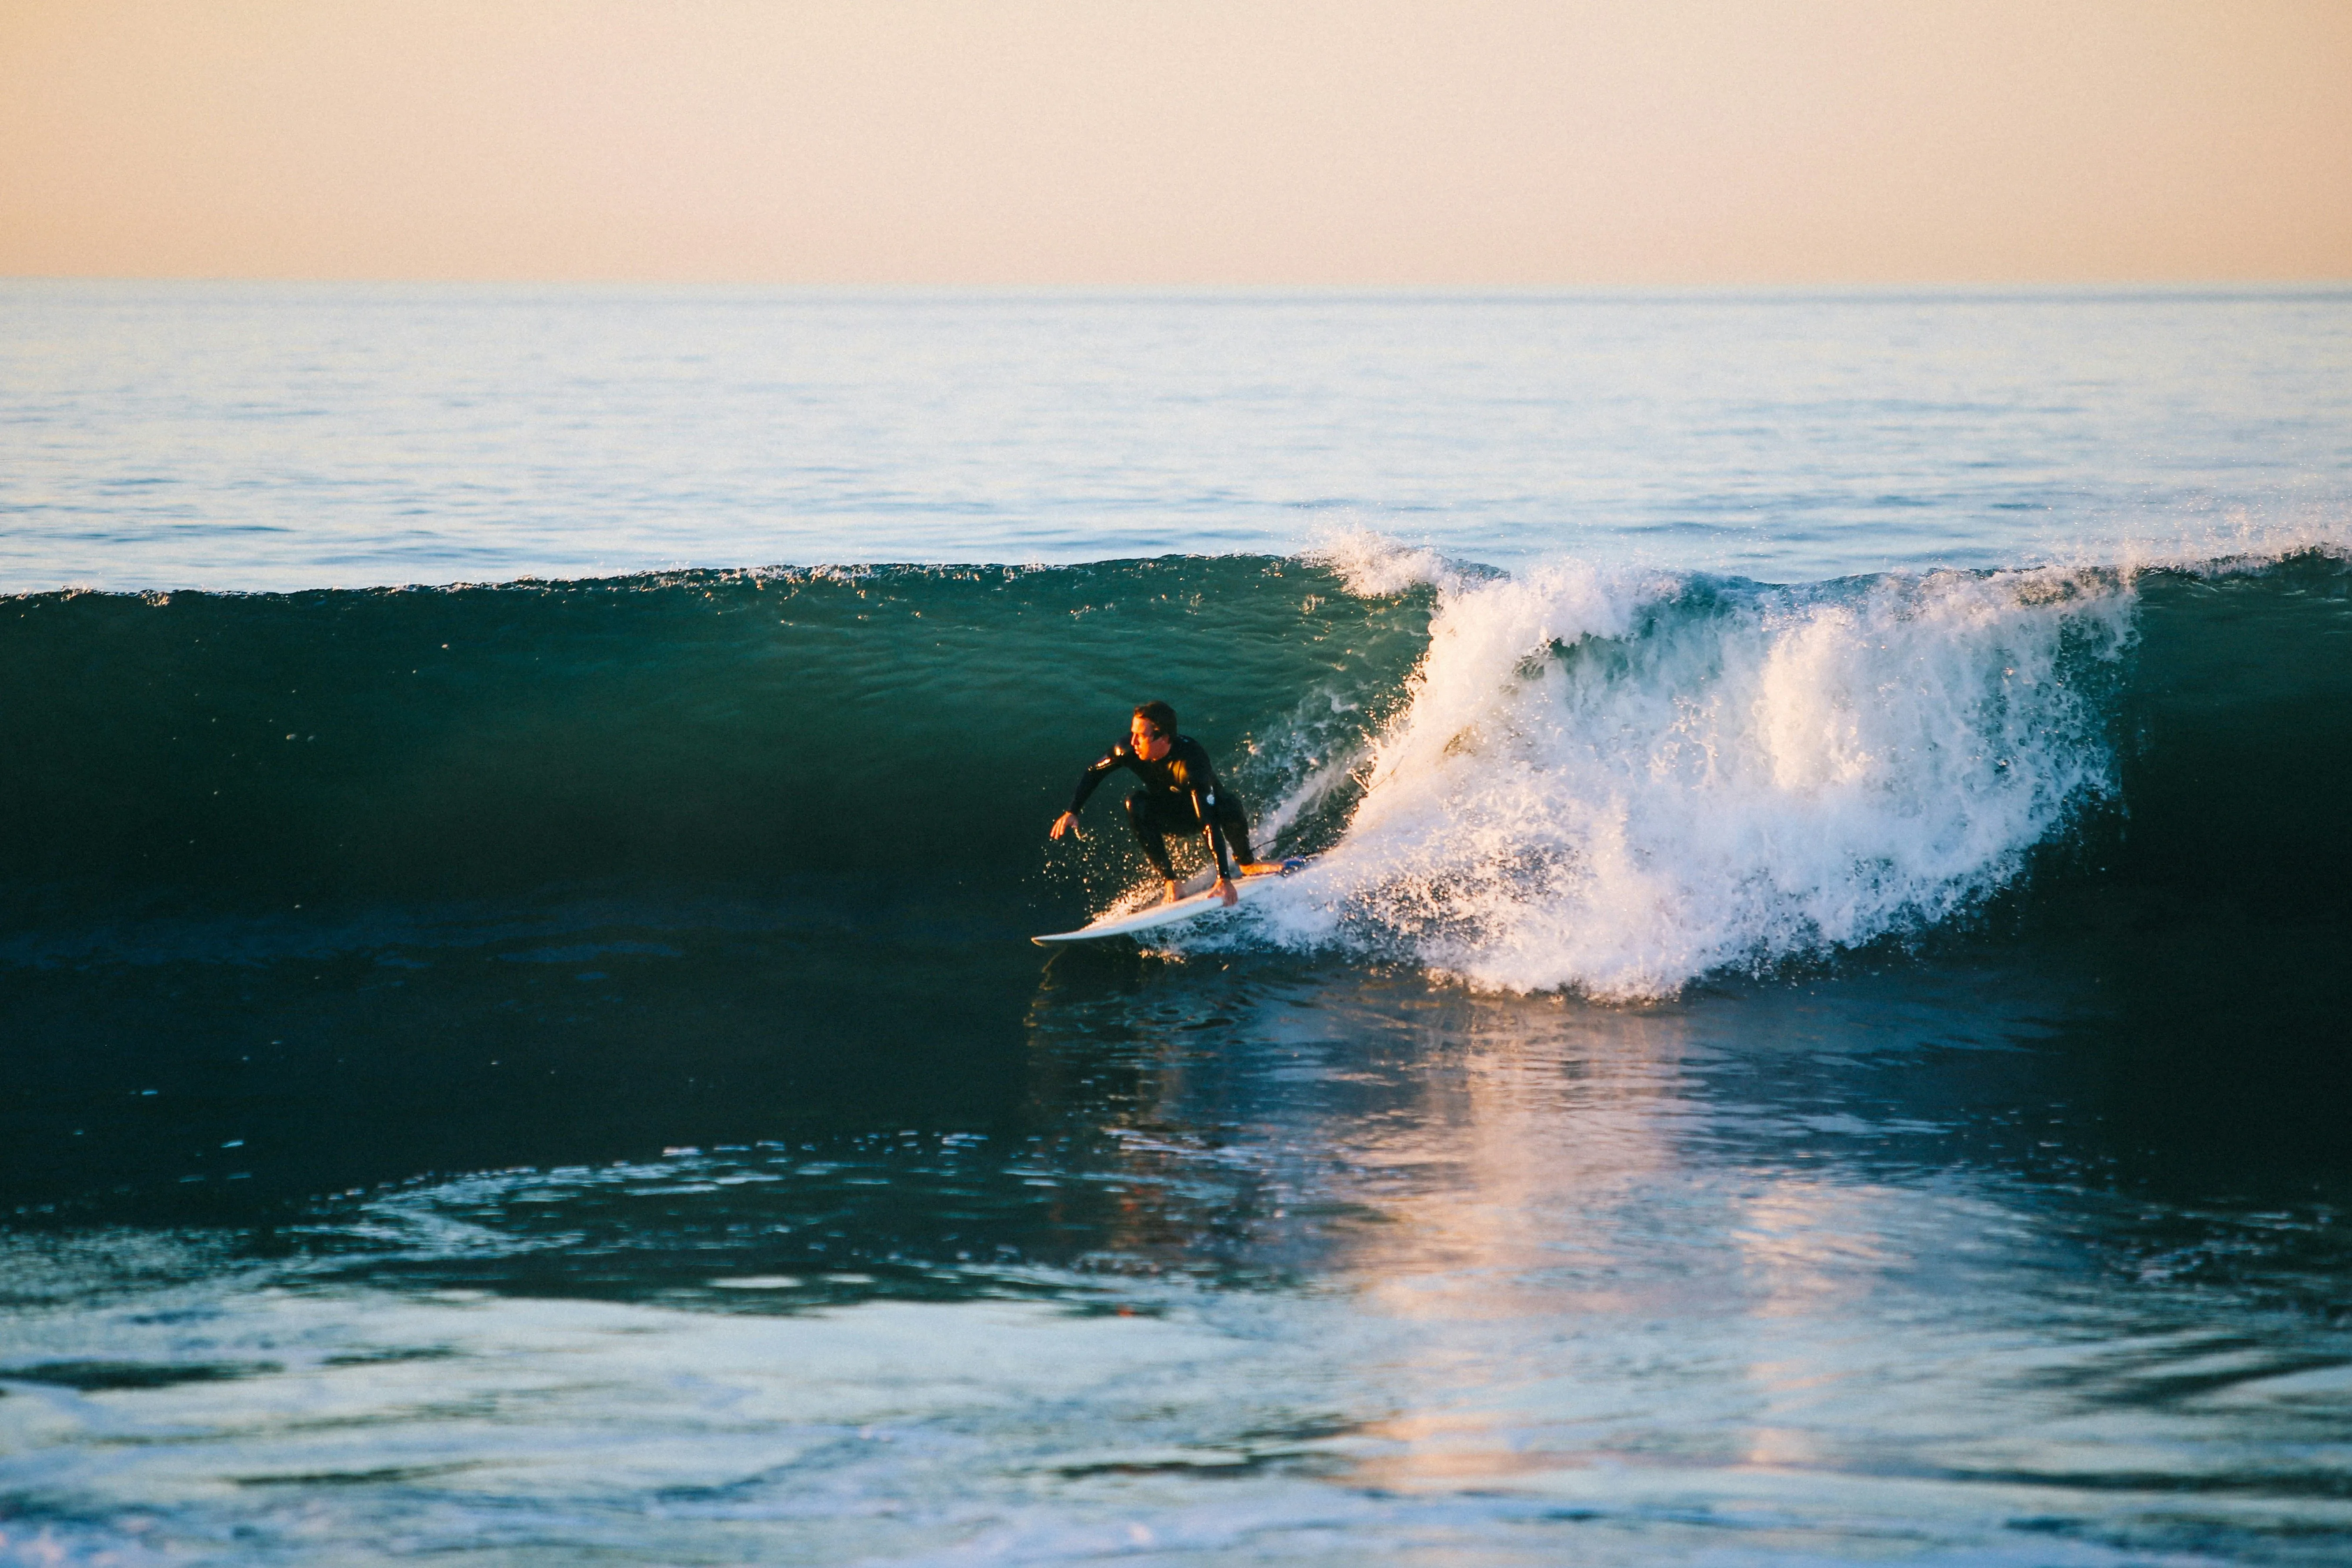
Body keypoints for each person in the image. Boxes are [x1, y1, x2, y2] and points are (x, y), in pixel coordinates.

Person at [1049, 701, 1274, 906]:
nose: (1133, 741)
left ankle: (1246, 863)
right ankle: (1171, 880)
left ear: (1163, 738)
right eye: (1133, 733)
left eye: (1141, 736)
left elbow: (1208, 822)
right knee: (1135, 803)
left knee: (1229, 805)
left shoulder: (1191, 763)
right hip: (1171, 815)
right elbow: (1094, 772)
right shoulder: (1128, 749)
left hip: (1206, 813)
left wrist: (1224, 878)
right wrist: (1073, 811)